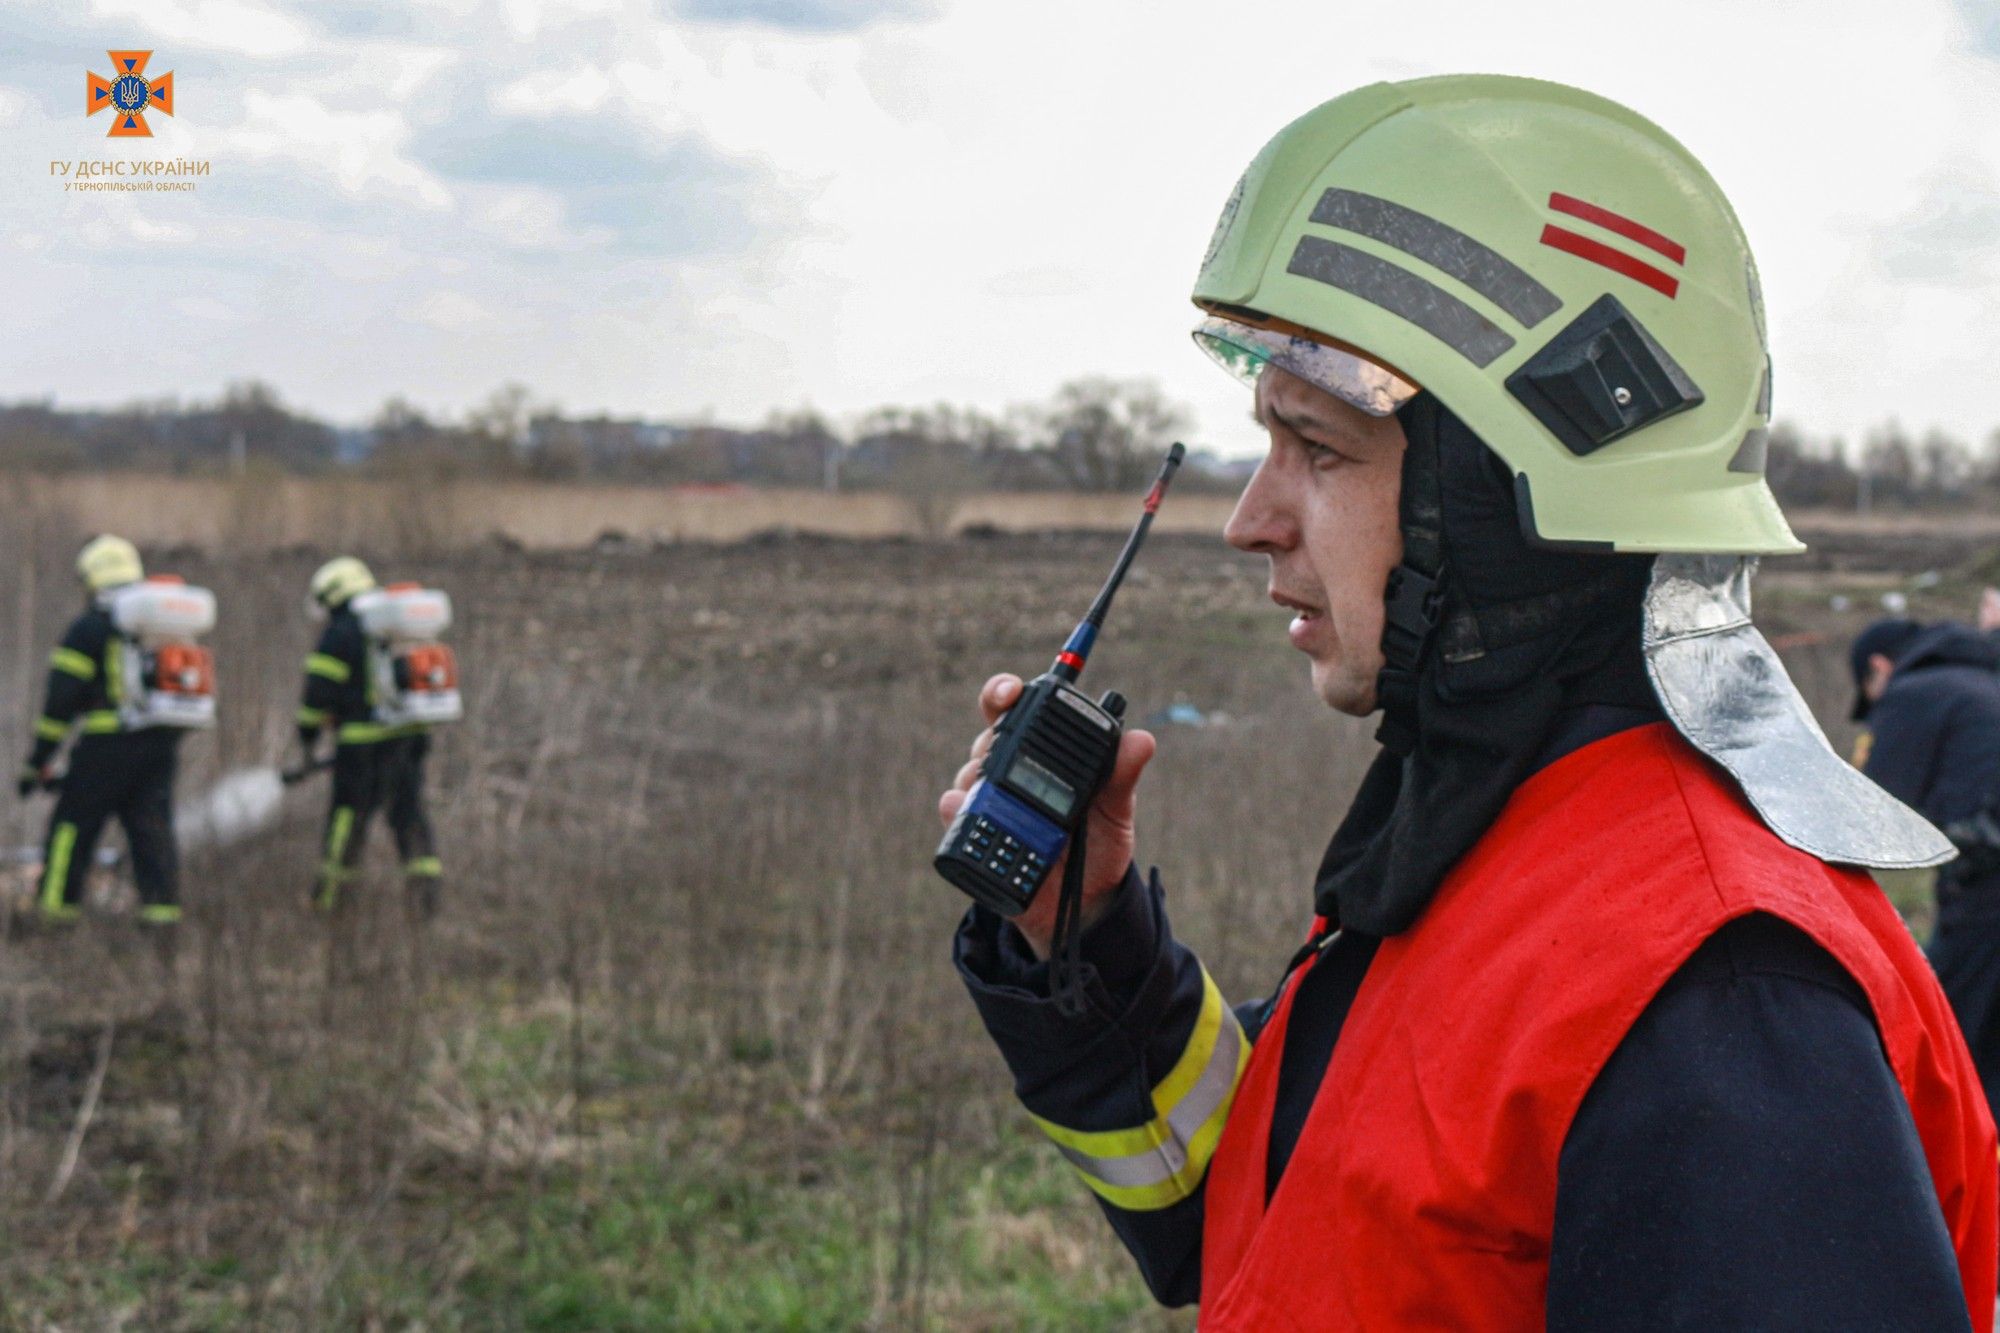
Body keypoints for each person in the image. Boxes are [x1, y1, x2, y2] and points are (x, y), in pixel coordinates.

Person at [942, 76, 1996, 1328]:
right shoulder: (1490, 836)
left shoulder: (1717, 995)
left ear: (1499, 504)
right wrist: (1088, 939)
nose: (1249, 520)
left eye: (1318, 449)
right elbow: (1269, 1215)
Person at [1854, 615, 2000, 1114]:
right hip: (1984, 874)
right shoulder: (1981, 681)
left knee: (1947, 1033)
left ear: (1879, 668)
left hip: (1988, 887)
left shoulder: (1913, 691)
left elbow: (1868, 809)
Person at [16, 535, 184, 925]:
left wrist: (37, 761)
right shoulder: (160, 629)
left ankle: (52, 917)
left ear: (93, 578)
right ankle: (162, 924)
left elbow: (60, 703)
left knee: (71, 829)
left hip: (106, 748)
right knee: (152, 832)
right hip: (160, 746)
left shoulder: (89, 628)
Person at [295, 556, 442, 917]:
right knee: (409, 817)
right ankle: (426, 903)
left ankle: (330, 904)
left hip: (361, 748)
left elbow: (318, 693)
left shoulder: (342, 630)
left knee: (347, 822)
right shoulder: (397, 625)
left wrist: (307, 736)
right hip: (409, 739)